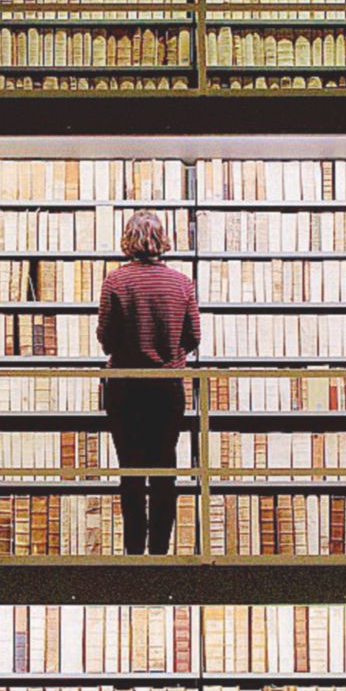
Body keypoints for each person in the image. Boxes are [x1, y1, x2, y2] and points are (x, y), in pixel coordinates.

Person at [96, 209, 201, 555]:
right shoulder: (183, 283)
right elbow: (193, 336)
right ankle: (159, 552)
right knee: (163, 471)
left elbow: (106, 337)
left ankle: (133, 554)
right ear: (162, 240)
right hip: (166, 388)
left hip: (125, 388)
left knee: (130, 473)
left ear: (128, 239)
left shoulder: (115, 281)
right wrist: (170, 354)